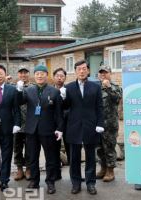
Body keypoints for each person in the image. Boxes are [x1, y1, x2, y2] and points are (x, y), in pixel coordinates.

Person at [18, 65, 63, 194]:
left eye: (42, 73)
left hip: (48, 129)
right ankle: (34, 181)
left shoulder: (54, 91)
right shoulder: (29, 90)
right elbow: (19, 102)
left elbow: (59, 113)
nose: (39, 76)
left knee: (50, 158)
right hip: (32, 129)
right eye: (37, 73)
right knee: (32, 157)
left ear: (46, 75)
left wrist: (60, 128)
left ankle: (50, 182)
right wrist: (19, 91)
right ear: (34, 75)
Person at [62, 60, 104, 195]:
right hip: (73, 126)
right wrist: (63, 98)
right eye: (79, 69)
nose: (82, 71)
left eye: (84, 69)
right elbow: (64, 108)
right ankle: (76, 183)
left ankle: (91, 183)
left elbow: (99, 107)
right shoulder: (68, 88)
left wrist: (100, 124)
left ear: (88, 71)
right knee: (74, 158)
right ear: (75, 71)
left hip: (91, 126)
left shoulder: (96, 87)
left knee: (91, 157)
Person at [96, 65, 122, 182]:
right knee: (99, 148)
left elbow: (117, 99)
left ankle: (110, 171)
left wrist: (108, 87)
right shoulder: (95, 88)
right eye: (101, 73)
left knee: (109, 147)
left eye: (105, 72)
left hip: (110, 124)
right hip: (97, 124)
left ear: (110, 74)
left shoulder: (115, 87)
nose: (103, 75)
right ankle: (103, 168)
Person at [13, 65, 32, 181]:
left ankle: (28, 168)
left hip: (30, 123)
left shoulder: (33, 88)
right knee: (17, 148)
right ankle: (19, 169)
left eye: (25, 72)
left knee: (30, 148)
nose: (23, 75)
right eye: (21, 72)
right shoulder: (12, 88)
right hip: (17, 124)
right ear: (18, 74)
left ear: (28, 74)